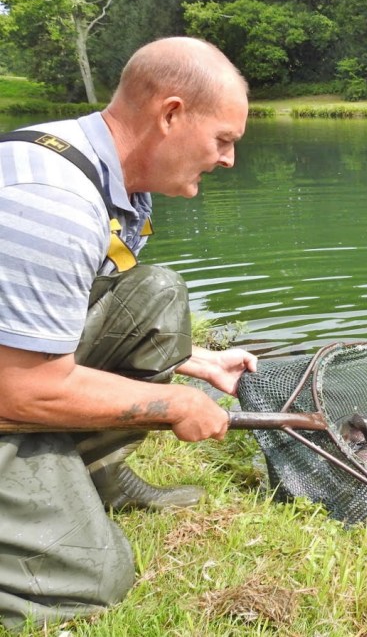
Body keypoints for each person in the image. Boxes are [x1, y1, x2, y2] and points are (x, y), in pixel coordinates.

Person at [0, 37, 258, 631]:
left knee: (156, 294)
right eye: (223, 140)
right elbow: (17, 391)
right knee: (91, 579)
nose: (228, 160)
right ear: (171, 115)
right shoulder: (53, 203)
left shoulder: (106, 174)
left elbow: (50, 317)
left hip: (14, 371)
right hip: (12, 389)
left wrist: (196, 361)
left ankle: (94, 476)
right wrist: (176, 404)